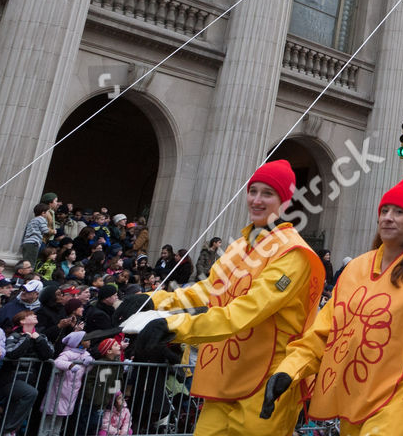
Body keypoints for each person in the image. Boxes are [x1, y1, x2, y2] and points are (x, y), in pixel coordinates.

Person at [131, 159, 324, 435]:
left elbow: (246, 311)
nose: (256, 200)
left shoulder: (293, 254)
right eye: (253, 190)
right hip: (224, 378)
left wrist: (174, 327)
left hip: (266, 384)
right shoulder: (239, 246)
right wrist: (155, 300)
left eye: (268, 193)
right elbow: (209, 290)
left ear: (285, 201)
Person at [261, 177, 403, 435]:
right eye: (384, 210)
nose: (388, 217)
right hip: (353, 404)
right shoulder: (354, 268)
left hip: (400, 402)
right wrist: (288, 371)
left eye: (399, 212)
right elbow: (323, 333)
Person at [43, 330, 95, 436]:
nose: (90, 341)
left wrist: (90, 362)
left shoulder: (85, 354)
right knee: (50, 416)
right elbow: (57, 362)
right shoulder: (68, 352)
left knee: (60, 417)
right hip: (59, 389)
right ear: (79, 342)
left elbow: (87, 369)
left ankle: (55, 434)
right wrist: (70, 366)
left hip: (72, 391)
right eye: (87, 339)